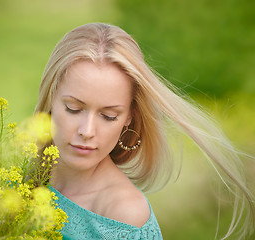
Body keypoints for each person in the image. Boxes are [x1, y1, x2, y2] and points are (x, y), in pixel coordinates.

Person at [35, 23, 254, 239]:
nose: (87, 131)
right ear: (50, 98)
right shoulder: (24, 176)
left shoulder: (125, 216)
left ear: (129, 116)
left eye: (108, 115)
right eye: (73, 108)